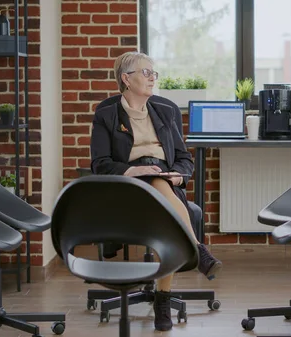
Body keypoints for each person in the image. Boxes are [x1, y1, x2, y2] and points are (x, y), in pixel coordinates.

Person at [89, 51, 222, 332]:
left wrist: (178, 176)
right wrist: (130, 170)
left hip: (163, 181)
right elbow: (100, 164)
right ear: (126, 79)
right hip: (127, 185)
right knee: (154, 183)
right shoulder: (106, 113)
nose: (152, 78)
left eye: (153, 73)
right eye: (145, 73)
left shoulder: (166, 109)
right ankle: (196, 252)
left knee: (161, 190)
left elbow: (184, 158)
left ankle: (164, 296)